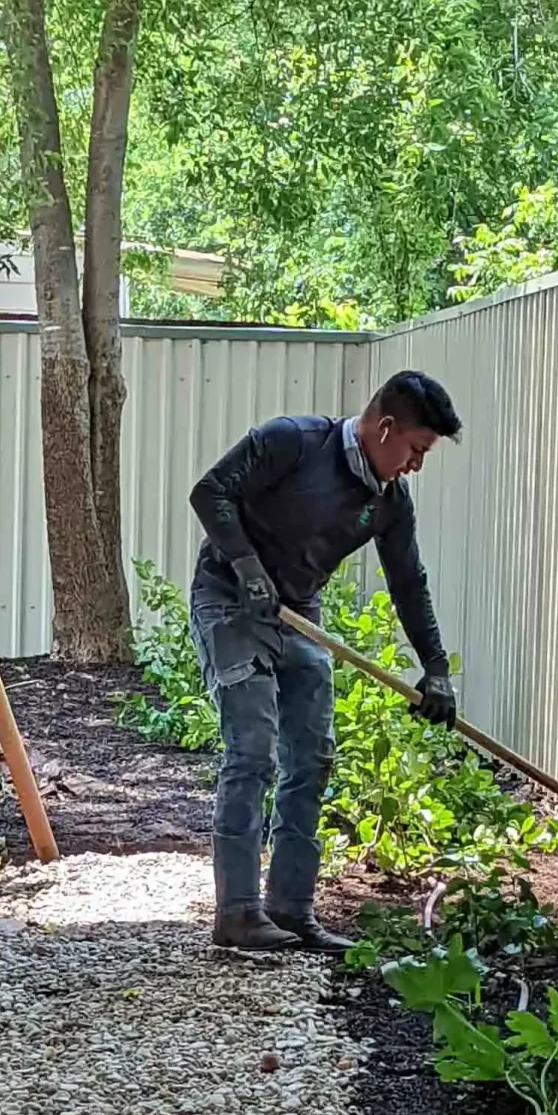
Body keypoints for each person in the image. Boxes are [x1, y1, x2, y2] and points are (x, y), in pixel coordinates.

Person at [188, 370, 462, 952]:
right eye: (416, 450)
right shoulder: (292, 441)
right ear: (385, 428)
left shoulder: (388, 502)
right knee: (252, 752)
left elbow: (408, 582)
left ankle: (290, 911)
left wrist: (435, 668)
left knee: (310, 757)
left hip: (298, 614)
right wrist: (245, 566)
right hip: (230, 602)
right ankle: (236, 914)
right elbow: (209, 492)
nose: (415, 465)